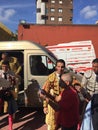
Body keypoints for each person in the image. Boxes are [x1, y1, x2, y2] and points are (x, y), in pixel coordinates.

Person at [41, 59, 65, 130]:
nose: (60, 69)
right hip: (53, 103)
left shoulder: (67, 76)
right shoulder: (51, 77)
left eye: (62, 67)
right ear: (56, 67)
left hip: (64, 102)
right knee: (52, 123)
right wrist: (45, 106)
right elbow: (45, 92)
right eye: (58, 66)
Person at [0, 61, 18, 130]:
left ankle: (10, 127)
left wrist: (13, 81)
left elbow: (14, 84)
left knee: (11, 109)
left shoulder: (12, 73)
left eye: (6, 66)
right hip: (0, 91)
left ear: (8, 67)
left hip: (9, 91)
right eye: (3, 66)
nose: (4, 68)